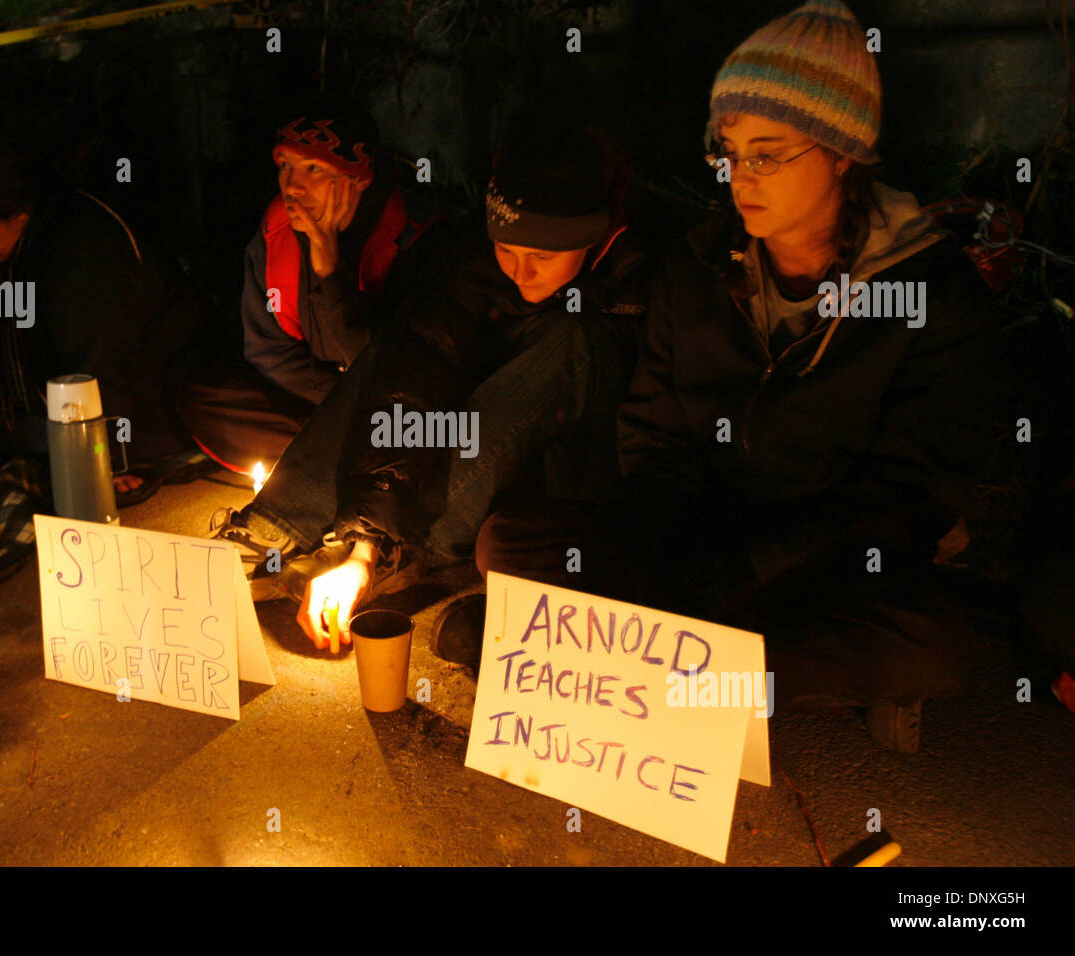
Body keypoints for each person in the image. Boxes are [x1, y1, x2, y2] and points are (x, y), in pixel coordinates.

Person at [469, 0, 996, 752]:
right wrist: (675, 547)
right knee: (508, 541)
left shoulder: (933, 295)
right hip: (698, 541)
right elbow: (652, 432)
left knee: (934, 642)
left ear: (843, 151)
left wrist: (757, 563)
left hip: (829, 564)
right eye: (731, 152)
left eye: (768, 154)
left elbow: (912, 490)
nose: (741, 177)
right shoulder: (697, 266)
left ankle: (622, 659)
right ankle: (704, 670)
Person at [212, 124, 650, 653]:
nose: (521, 272)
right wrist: (364, 544)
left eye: (542, 257)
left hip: (560, 475)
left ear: (590, 237)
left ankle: (405, 547)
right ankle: (284, 522)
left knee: (573, 341)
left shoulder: (639, 280)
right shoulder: (470, 260)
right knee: (399, 355)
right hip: (461, 433)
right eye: (507, 249)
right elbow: (413, 371)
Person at [0, 135, 201, 490]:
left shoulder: (78, 255)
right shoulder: (17, 251)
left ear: (18, 215)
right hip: (54, 427)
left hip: (148, 424)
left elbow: (97, 365)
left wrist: (104, 465)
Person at [176, 97, 414, 474]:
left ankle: (328, 461)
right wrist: (334, 405)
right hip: (321, 403)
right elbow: (268, 352)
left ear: (355, 179)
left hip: (386, 408)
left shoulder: (408, 239)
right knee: (203, 394)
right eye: (285, 166)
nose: (292, 185)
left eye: (313, 168)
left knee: (412, 428)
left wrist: (329, 272)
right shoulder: (276, 235)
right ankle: (341, 461)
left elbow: (386, 371)